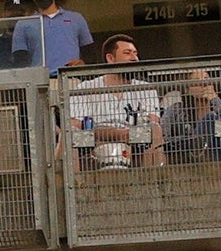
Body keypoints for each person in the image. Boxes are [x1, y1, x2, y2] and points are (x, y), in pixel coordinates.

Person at [67, 35, 166, 167]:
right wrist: (119, 134)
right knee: (70, 132)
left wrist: (124, 136)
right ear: (110, 58)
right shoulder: (85, 88)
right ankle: (76, 185)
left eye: (135, 54)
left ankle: (154, 182)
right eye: (127, 53)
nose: (134, 58)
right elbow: (75, 123)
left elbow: (152, 122)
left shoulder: (146, 89)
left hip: (136, 147)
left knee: (155, 129)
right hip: (93, 147)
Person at [12, 0, 93, 74]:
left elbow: (89, 52)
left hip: (71, 78)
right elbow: (20, 60)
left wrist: (83, 63)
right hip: (40, 82)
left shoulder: (76, 18)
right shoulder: (23, 24)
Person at [161, 69, 221, 163]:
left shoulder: (219, 107)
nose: (204, 84)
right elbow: (164, 137)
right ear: (188, 89)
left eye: (206, 79)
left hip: (216, 158)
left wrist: (215, 100)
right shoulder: (176, 110)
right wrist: (188, 140)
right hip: (188, 158)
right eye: (197, 81)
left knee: (210, 118)